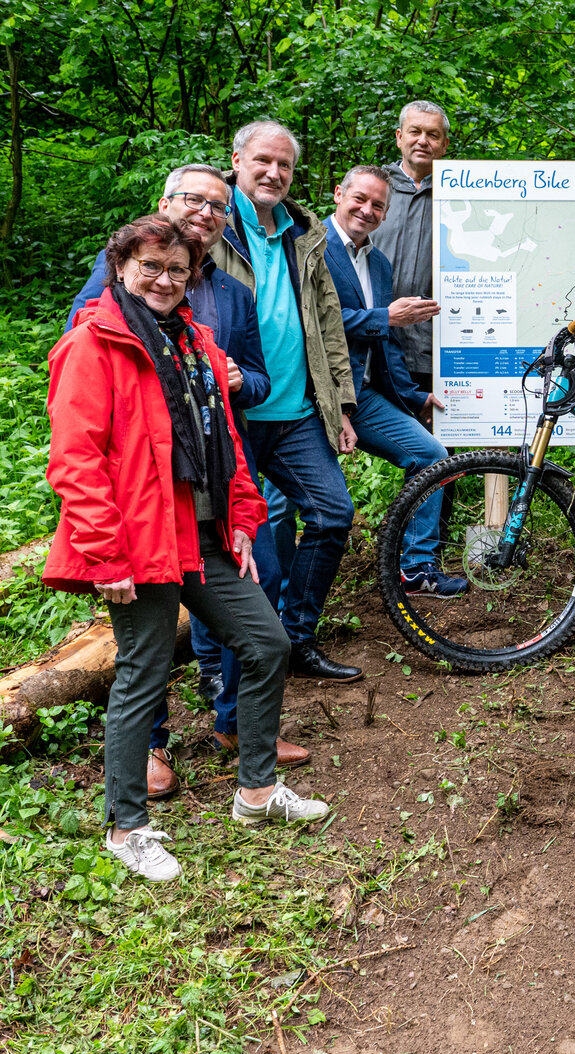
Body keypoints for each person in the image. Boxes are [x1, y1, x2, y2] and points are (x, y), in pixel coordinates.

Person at [45, 216, 330, 882]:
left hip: (202, 537)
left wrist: (243, 515)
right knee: (143, 674)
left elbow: (223, 437)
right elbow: (76, 460)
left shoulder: (194, 342)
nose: (164, 279)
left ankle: (256, 792)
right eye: (150, 265)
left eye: (178, 269)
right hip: (138, 540)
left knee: (266, 643)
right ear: (121, 268)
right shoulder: (92, 344)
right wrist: (105, 554)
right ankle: (126, 828)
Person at [212, 119, 363, 684]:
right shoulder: (213, 223)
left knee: (332, 514)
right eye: (263, 161)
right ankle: (215, 667)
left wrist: (341, 404)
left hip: (296, 413)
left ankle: (297, 638)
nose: (274, 173)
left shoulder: (304, 233)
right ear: (237, 161)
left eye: (285, 165)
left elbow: (328, 322)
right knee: (227, 543)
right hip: (231, 415)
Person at [323, 165, 465, 596]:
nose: (367, 210)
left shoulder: (378, 263)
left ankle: (416, 568)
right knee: (290, 503)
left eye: (378, 205)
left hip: (362, 394)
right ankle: (272, 597)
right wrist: (384, 316)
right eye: (360, 199)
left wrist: (413, 395)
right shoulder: (311, 247)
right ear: (338, 195)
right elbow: (314, 324)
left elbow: (384, 343)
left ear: (386, 213)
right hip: (314, 393)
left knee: (431, 456)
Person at [370, 100, 449, 396]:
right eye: (415, 131)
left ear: (444, 144)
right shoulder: (373, 188)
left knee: (431, 425)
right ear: (399, 137)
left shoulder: (460, 195)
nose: (422, 141)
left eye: (433, 135)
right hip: (373, 341)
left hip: (435, 348)